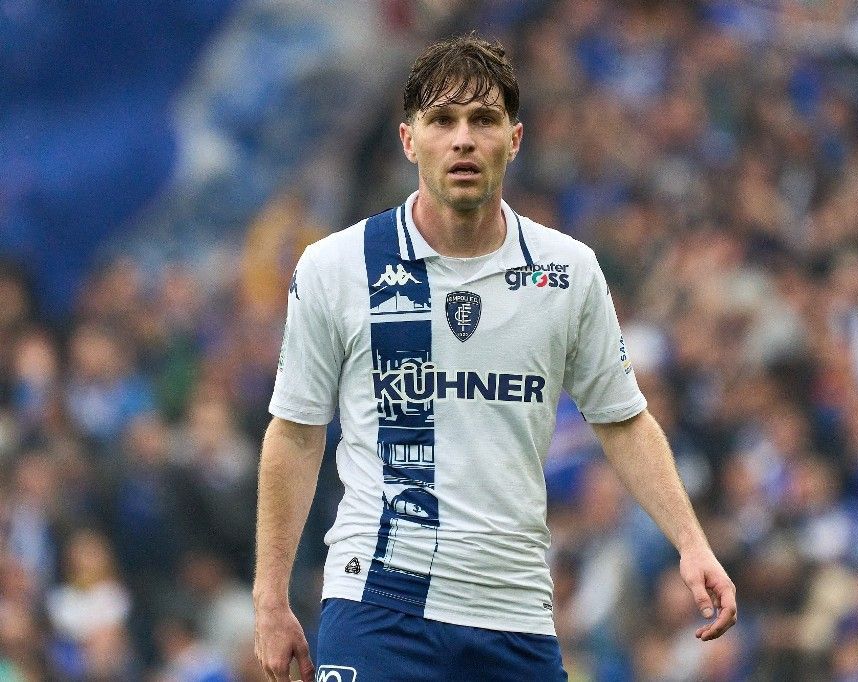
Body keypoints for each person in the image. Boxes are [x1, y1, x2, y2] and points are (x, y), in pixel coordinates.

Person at [253, 34, 737, 682]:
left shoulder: (567, 271)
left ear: (514, 139)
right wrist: (270, 597)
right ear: (409, 140)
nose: (463, 140)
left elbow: (623, 420)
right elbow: (295, 430)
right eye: (442, 121)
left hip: (515, 614)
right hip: (378, 604)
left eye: (483, 120)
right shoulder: (336, 266)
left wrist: (692, 542)